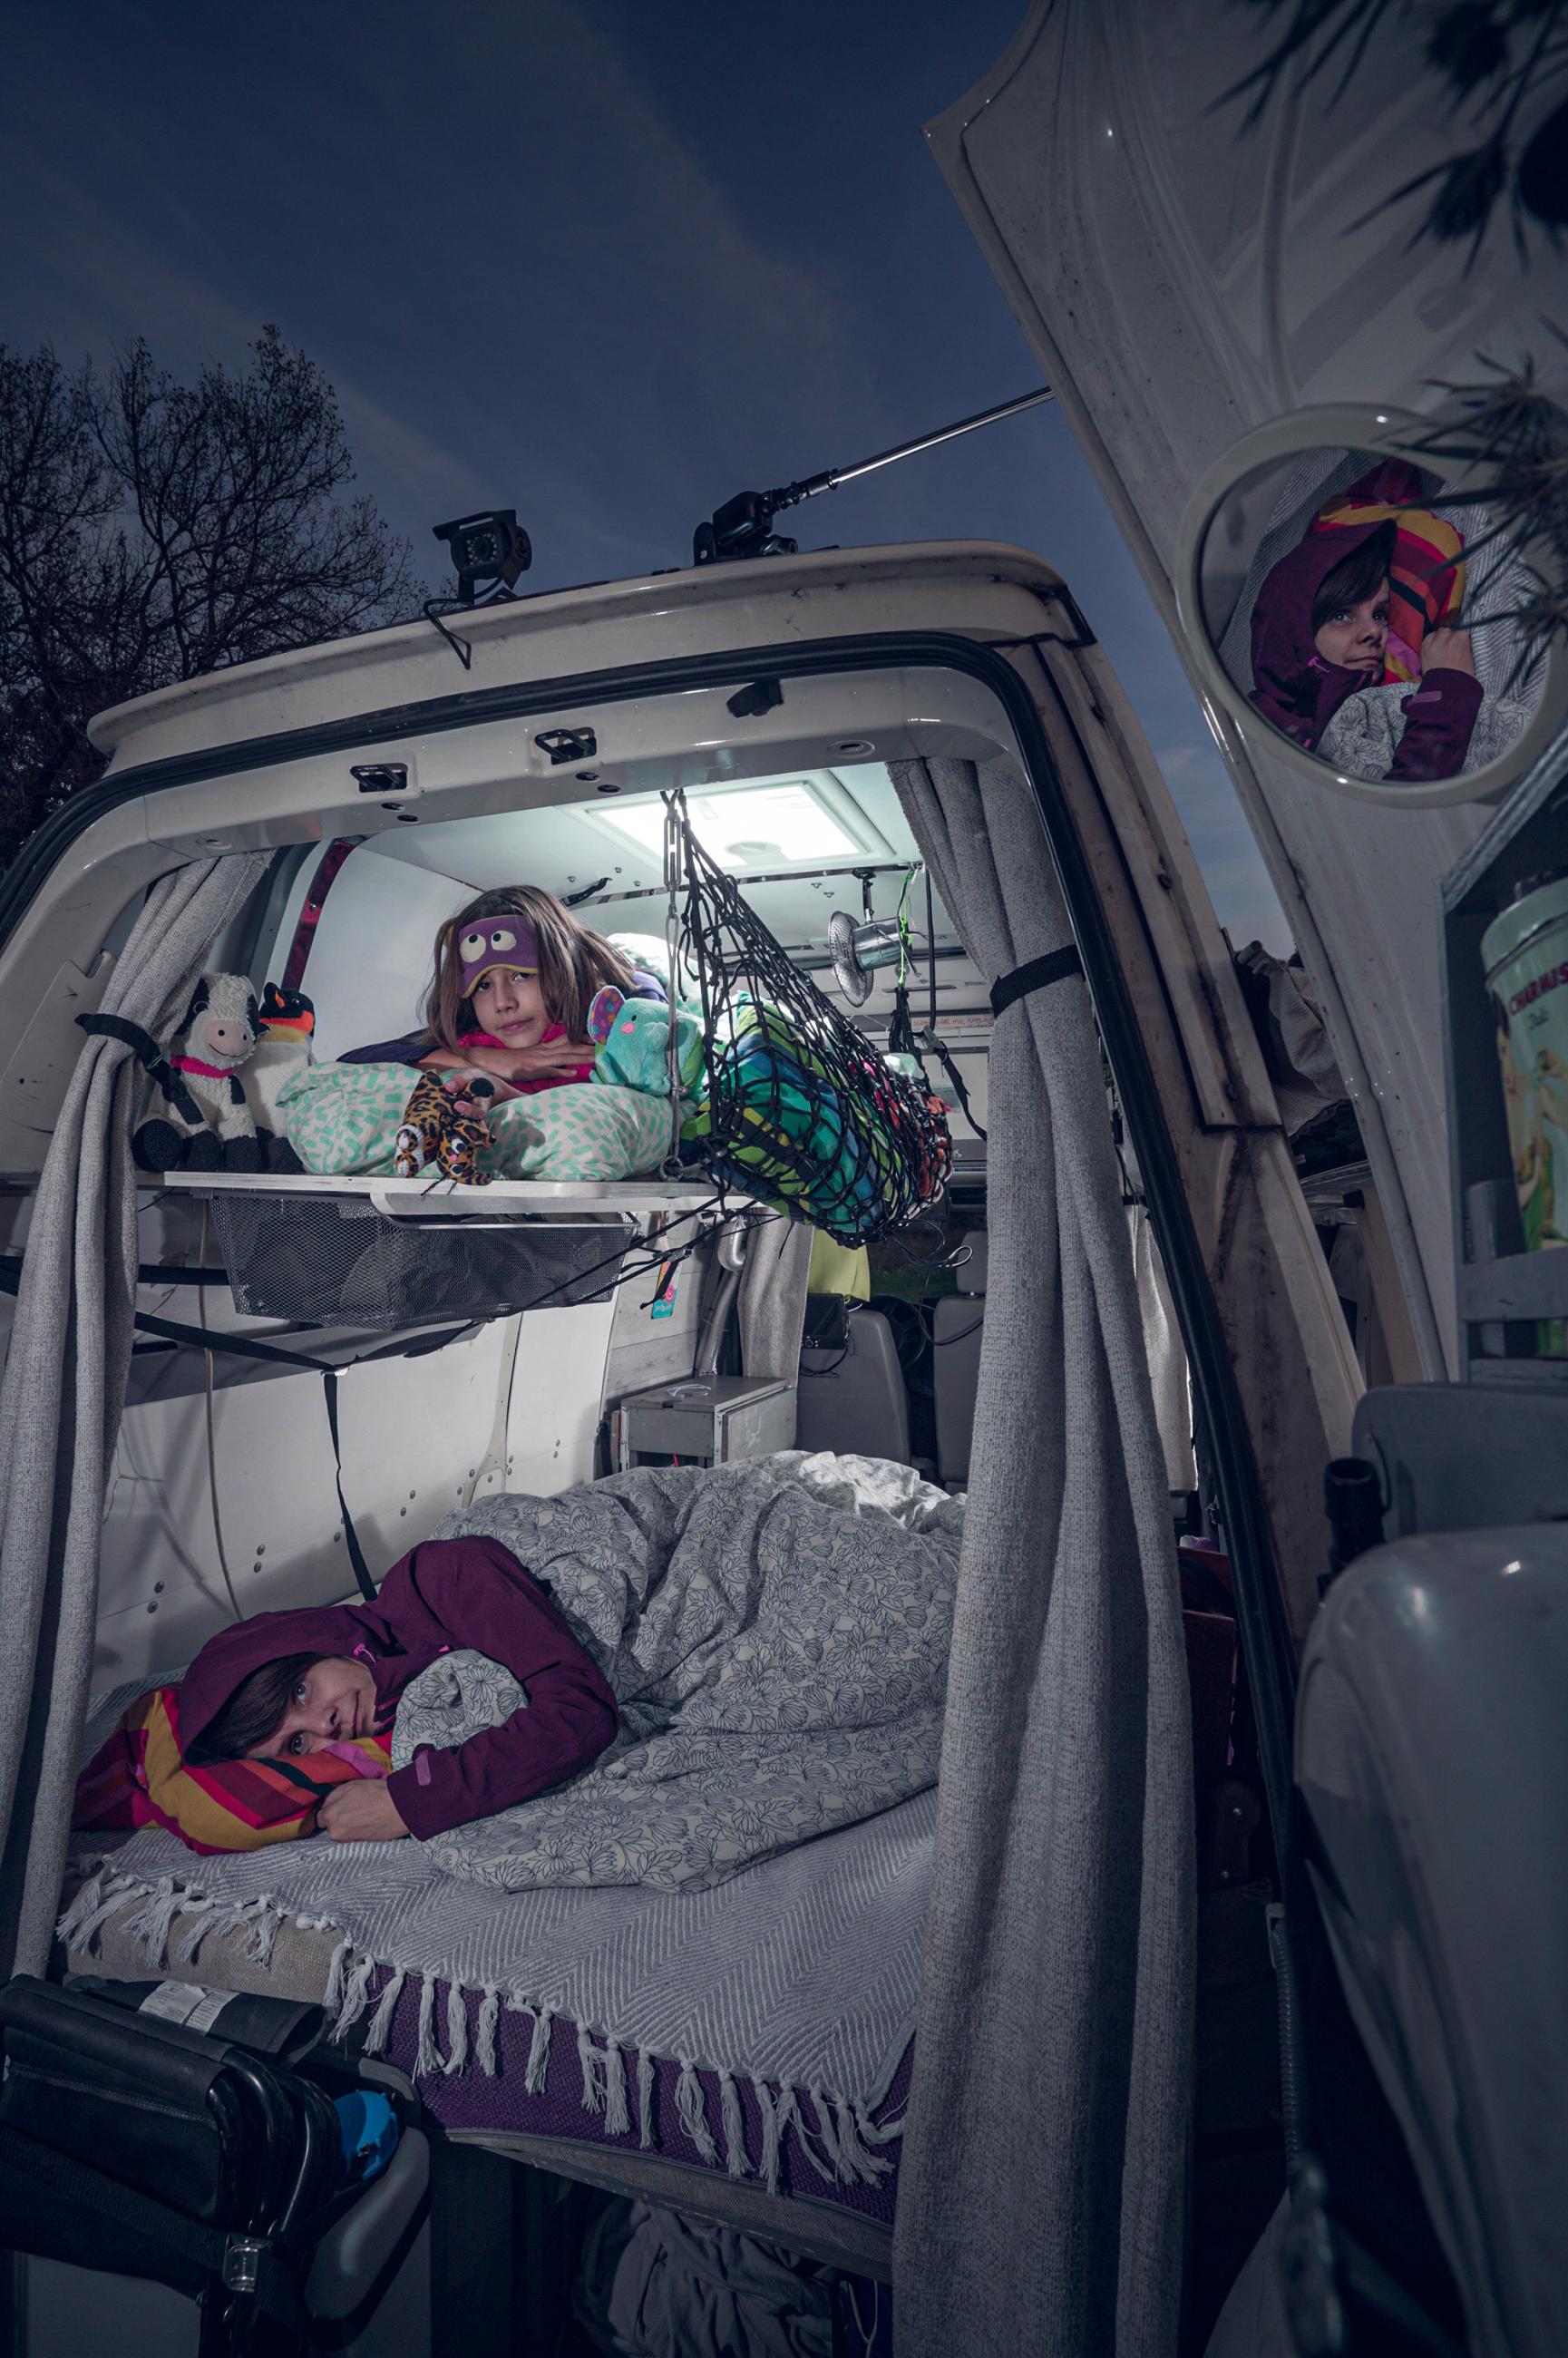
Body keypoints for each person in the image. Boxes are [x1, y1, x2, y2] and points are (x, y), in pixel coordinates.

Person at [178, 1534, 619, 1843]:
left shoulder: (441, 1578)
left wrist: (409, 1802)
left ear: (311, 1646)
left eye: (299, 1693)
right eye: (297, 1743)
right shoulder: (403, 1710)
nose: (324, 1726)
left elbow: (580, 1709)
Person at [340, 885, 666, 1101]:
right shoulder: (473, 1031)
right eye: (483, 985)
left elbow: (647, 1017)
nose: (503, 1003)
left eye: (521, 975)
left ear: (562, 967)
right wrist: (485, 1058)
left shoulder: (622, 996)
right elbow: (353, 1061)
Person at [1248, 513, 1482, 783]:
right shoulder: (1254, 734)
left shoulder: (1391, 711)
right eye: (1341, 616)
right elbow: (1394, 807)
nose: (1374, 631)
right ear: (1292, 631)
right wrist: (1450, 695)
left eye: (1380, 614)